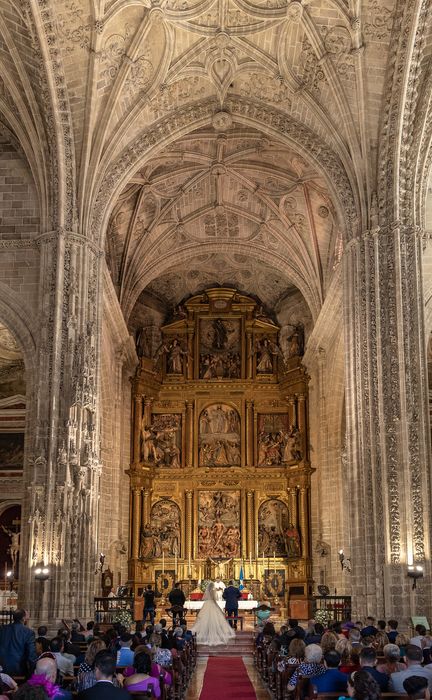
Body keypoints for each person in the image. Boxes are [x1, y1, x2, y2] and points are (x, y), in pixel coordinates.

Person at [191, 581, 236, 646]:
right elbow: (214, 600)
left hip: (206, 604)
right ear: (212, 587)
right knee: (214, 619)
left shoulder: (208, 592)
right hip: (212, 604)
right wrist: (218, 607)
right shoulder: (213, 591)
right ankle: (213, 632)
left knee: (205, 619)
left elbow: (205, 598)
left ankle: (206, 631)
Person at [0, 608, 37, 675]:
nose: (27, 618)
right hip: (19, 670)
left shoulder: (2, 629)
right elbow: (31, 655)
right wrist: (33, 672)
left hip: (3, 668)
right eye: (27, 616)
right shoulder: (28, 632)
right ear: (23, 618)